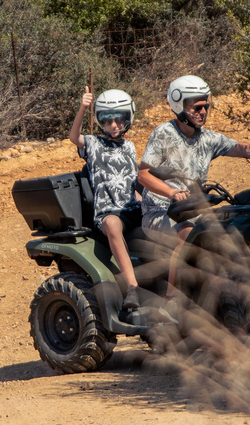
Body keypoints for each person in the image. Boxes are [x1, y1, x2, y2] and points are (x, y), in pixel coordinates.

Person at [138, 75, 250, 293]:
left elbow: (246, 148)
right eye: (197, 107)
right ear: (179, 106)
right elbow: (143, 175)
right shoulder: (164, 134)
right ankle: (172, 301)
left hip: (195, 210)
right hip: (161, 212)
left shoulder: (207, 139)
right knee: (186, 233)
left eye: (205, 106)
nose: (203, 112)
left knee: (231, 231)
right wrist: (172, 192)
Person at [70, 86, 141, 309]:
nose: (113, 125)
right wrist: (83, 107)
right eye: (107, 120)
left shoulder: (130, 146)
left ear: (127, 118)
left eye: (119, 120)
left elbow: (133, 179)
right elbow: (74, 137)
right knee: (111, 224)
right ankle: (132, 287)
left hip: (133, 208)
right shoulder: (93, 144)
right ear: (100, 121)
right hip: (109, 211)